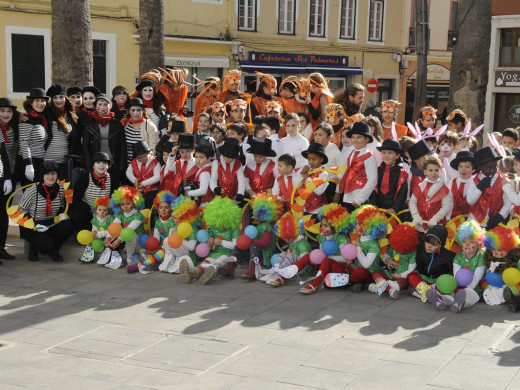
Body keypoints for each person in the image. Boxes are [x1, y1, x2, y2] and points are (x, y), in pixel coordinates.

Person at [275, 203, 351, 294]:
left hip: (338, 268)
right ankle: (284, 277)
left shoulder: (342, 238)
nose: (322, 228)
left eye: (326, 226)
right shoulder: (321, 237)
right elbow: (321, 254)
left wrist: (328, 258)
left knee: (326, 260)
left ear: (335, 226)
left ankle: (314, 285)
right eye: (322, 225)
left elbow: (346, 259)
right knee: (308, 256)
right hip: (325, 266)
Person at [18, 161, 72, 262]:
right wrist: (33, 224)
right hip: (32, 225)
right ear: (42, 176)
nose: (50, 177)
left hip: (50, 223)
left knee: (67, 226)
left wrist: (61, 213)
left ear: (57, 175)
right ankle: (34, 247)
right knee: (46, 247)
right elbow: (21, 210)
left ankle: (54, 250)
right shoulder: (33, 190)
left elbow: (61, 205)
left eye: (53, 173)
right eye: (47, 174)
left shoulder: (60, 188)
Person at [179, 196, 241, 284]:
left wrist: (222, 242)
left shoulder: (234, 229)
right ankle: (193, 273)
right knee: (206, 262)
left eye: (222, 223)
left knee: (220, 262)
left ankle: (211, 272)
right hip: (214, 253)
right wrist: (210, 242)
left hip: (228, 254)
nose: (219, 226)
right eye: (217, 222)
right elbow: (210, 245)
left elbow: (236, 245)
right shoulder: (213, 228)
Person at [426, 221, 484, 312]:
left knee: (469, 295)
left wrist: (464, 290)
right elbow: (456, 276)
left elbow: (477, 278)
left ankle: (459, 303)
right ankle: (441, 301)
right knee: (448, 287)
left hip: (475, 288)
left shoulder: (481, 258)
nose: (467, 245)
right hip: (459, 286)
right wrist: (452, 288)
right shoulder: (458, 257)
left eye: (472, 242)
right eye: (464, 242)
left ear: (478, 244)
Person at [82, 94, 127, 181]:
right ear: (95, 106)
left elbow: (123, 146)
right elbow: (86, 146)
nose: (102, 107)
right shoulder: (90, 124)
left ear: (110, 106)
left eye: (105, 104)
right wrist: (89, 166)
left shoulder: (117, 124)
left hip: (113, 163)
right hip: (97, 164)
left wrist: (122, 166)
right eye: (99, 104)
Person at [70, 152, 118, 232]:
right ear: (93, 166)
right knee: (75, 214)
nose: (101, 165)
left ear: (108, 166)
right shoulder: (84, 178)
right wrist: (92, 210)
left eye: (104, 163)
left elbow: (114, 200)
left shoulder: (113, 180)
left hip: (105, 211)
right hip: (87, 211)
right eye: (98, 162)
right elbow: (76, 199)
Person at [335, 122, 377, 212]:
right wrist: (338, 178)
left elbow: (373, 180)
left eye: (359, 137)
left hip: (359, 198)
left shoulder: (369, 157)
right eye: (353, 137)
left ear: (366, 139)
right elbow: (349, 172)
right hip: (348, 196)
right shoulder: (352, 153)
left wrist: (359, 199)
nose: (355, 140)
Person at [241, 193, 284, 279]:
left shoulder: (267, 226)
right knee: (239, 246)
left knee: (253, 246)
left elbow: (265, 243)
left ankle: (251, 271)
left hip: (265, 254)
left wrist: (251, 241)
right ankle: (229, 267)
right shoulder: (261, 225)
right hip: (258, 252)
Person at [369, 224, 419, 299]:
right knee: (375, 273)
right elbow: (385, 256)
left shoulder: (412, 253)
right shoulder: (393, 248)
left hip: (402, 279)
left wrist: (400, 276)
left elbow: (411, 269)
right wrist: (387, 260)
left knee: (403, 283)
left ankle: (378, 287)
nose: (399, 249)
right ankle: (390, 290)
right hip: (389, 274)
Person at [407, 225, 455, 302]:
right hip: (424, 281)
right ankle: (429, 293)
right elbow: (419, 267)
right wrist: (416, 272)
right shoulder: (421, 251)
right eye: (427, 242)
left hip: (437, 282)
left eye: (433, 245)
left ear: (441, 245)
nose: (429, 246)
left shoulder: (449, 256)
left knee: (445, 285)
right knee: (411, 276)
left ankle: (424, 292)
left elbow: (450, 273)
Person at [466, 146, 511, 228]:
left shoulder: (502, 180)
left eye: (495, 167)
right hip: (475, 223)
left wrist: (500, 216)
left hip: (494, 223)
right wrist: (480, 187)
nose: (492, 170)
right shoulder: (473, 180)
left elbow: (508, 202)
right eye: (489, 168)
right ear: (480, 168)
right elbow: (470, 201)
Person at [44, 84, 81, 178]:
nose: (59, 100)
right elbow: (33, 114)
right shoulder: (47, 113)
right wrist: (19, 115)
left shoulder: (71, 116)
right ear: (52, 100)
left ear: (66, 98)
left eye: (61, 97)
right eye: (55, 97)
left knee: (64, 190)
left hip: (64, 162)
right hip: (48, 160)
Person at [18, 88, 52, 186]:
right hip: (29, 162)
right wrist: (28, 164)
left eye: (43, 101)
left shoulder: (43, 118)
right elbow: (23, 142)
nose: (40, 103)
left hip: (40, 162)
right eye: (37, 100)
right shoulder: (26, 119)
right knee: (31, 195)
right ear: (31, 103)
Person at [409, 156, 452, 232]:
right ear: (425, 172)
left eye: (436, 170)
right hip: (419, 225)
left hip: (436, 226)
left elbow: (446, 206)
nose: (433, 173)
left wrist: (436, 218)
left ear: (441, 172)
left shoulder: (444, 190)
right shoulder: (420, 186)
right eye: (430, 170)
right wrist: (415, 216)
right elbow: (412, 202)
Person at [369, 139, 408, 215]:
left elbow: (402, 193)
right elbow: (373, 189)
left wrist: (395, 208)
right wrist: (373, 203)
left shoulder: (402, 173)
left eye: (390, 153)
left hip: (395, 212)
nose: (386, 156)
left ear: (397, 156)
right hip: (379, 208)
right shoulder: (377, 170)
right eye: (384, 152)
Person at [121, 98, 160, 164]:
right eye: (133, 110)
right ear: (129, 111)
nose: (136, 113)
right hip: (126, 163)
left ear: (143, 111)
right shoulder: (124, 124)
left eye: (138, 110)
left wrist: (147, 158)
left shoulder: (150, 126)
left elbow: (154, 146)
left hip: (143, 163)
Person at [79, 196, 114, 263]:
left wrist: (99, 235)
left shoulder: (110, 219)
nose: (102, 212)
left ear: (109, 211)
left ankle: (106, 259)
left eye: (105, 210)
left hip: (109, 236)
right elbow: (94, 226)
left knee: (109, 244)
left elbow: (111, 231)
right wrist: (94, 231)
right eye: (99, 210)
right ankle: (88, 257)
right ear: (95, 210)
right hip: (98, 236)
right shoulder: (95, 218)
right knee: (90, 242)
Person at [126, 141, 160, 208]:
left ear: (149, 153)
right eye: (139, 158)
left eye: (143, 156)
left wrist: (144, 183)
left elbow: (157, 176)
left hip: (152, 191)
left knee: (149, 207)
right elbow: (128, 172)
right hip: (139, 190)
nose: (141, 159)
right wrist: (134, 180)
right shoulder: (135, 161)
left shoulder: (154, 162)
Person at [210, 137, 245, 203]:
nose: (229, 159)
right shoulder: (216, 162)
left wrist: (240, 193)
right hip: (219, 198)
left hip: (235, 199)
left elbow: (241, 180)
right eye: (226, 156)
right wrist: (214, 188)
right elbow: (213, 179)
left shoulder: (238, 163)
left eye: (232, 157)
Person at [0, 102, 14, 261]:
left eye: (8, 111)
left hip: (6, 175)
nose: (5, 113)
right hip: (4, 174)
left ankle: (1, 248)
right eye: (2, 111)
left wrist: (9, 178)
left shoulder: (12, 126)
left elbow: (6, 155)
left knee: (3, 214)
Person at [300, 142, 329, 215]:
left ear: (321, 159)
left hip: (316, 210)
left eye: (314, 159)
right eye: (309, 159)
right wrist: (302, 174)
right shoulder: (307, 171)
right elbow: (299, 186)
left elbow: (318, 191)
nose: (311, 162)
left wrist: (307, 178)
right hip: (304, 208)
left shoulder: (323, 174)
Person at [448, 151, 475, 220]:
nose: (463, 169)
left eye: (467, 167)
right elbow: (449, 201)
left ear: (473, 169)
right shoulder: (452, 183)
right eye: (460, 166)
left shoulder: (476, 183)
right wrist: (448, 218)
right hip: (454, 219)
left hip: (471, 220)